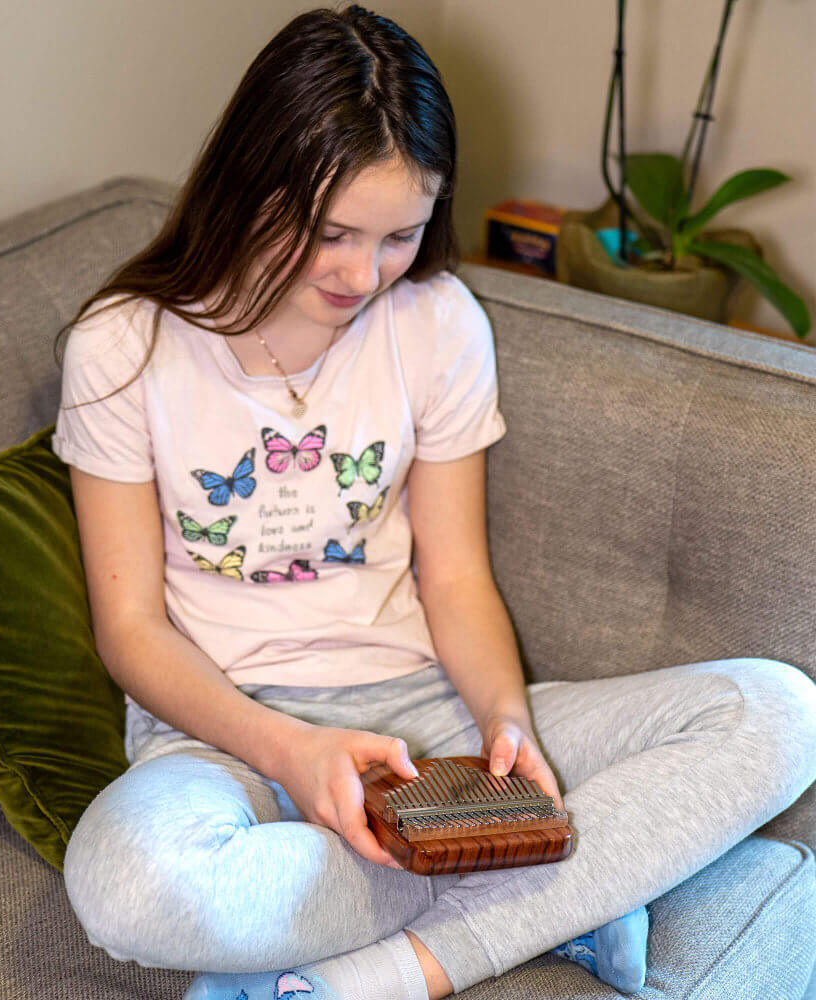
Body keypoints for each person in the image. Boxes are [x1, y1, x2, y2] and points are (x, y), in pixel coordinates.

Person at [50, 6, 816, 999]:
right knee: (129, 888)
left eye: (398, 236)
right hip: (223, 741)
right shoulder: (123, 348)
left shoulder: (438, 322)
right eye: (329, 233)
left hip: (428, 728)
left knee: (777, 709)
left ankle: (398, 971)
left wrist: (506, 724)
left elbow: (453, 577)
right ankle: (570, 893)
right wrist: (292, 749)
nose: (360, 275)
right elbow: (131, 630)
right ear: (249, 185)